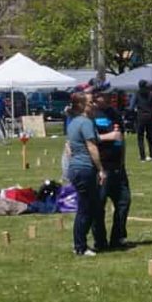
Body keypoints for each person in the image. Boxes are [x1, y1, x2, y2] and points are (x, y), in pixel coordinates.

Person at [63, 90, 104, 257]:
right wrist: (101, 169)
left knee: (89, 206)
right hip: (85, 168)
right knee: (86, 208)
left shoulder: (73, 122)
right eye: (90, 102)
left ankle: (80, 244)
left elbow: (69, 147)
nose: (93, 105)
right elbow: (92, 147)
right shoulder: (86, 123)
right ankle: (80, 246)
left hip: (76, 168)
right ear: (81, 105)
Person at [93, 89, 132, 249]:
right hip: (101, 167)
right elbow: (87, 139)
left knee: (124, 201)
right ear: (96, 97)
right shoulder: (91, 115)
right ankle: (100, 241)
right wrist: (108, 137)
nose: (109, 98)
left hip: (117, 167)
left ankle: (118, 237)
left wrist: (123, 162)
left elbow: (121, 138)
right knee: (99, 206)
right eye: (105, 95)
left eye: (110, 95)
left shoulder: (114, 113)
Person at [130, 79, 152, 163]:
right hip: (149, 117)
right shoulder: (150, 94)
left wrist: (133, 113)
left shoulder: (136, 94)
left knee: (140, 137)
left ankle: (143, 156)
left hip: (140, 117)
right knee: (151, 136)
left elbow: (131, 107)